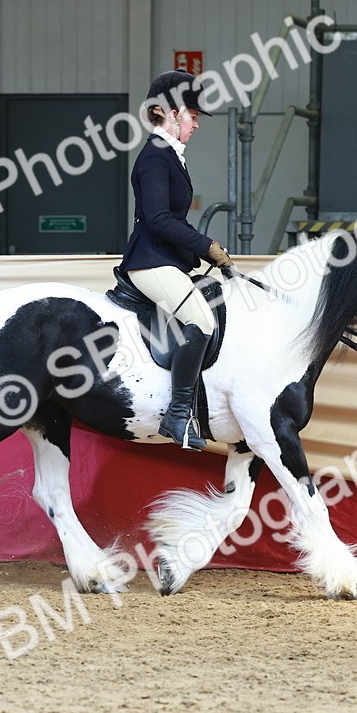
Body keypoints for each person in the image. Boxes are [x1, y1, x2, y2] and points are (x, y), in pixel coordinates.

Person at [119, 69, 233, 451]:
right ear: (170, 113)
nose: (197, 124)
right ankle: (178, 413)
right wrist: (207, 246)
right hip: (149, 261)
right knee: (200, 321)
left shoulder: (171, 156)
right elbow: (159, 219)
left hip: (167, 259)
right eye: (193, 116)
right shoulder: (155, 156)